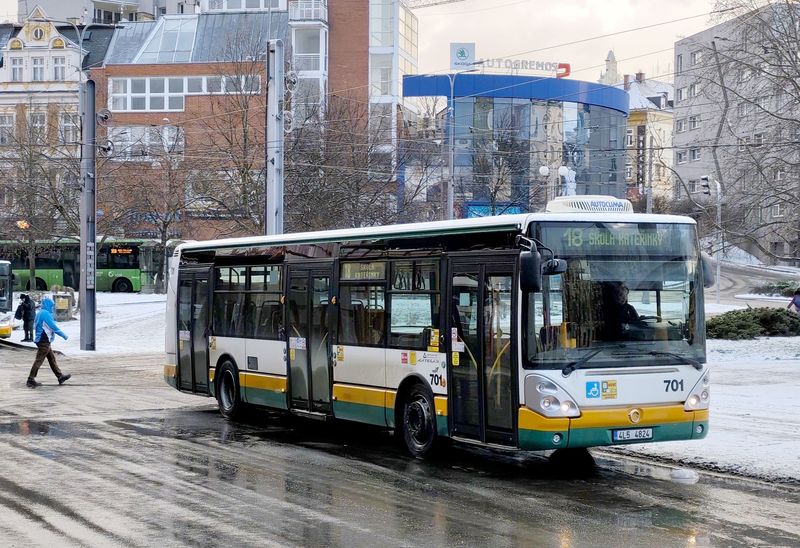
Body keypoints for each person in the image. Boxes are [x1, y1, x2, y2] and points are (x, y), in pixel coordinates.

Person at [26, 296, 71, 388]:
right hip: (44, 340)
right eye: (51, 305)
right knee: (39, 360)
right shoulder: (45, 314)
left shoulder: (40, 312)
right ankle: (30, 379)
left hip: (42, 340)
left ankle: (60, 376)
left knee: (51, 359)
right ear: (48, 305)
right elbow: (53, 327)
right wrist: (63, 335)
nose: (52, 307)